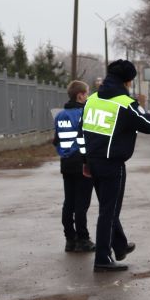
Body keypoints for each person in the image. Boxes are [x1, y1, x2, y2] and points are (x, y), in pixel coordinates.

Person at [80, 59, 150, 272]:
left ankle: (119, 245)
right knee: (109, 212)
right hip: (112, 165)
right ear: (128, 81)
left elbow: (83, 133)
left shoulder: (91, 100)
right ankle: (102, 258)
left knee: (107, 209)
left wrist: (85, 161)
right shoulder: (126, 104)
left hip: (93, 161)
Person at [53, 80, 95, 253]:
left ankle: (70, 239)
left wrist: (65, 152)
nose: (88, 96)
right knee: (82, 204)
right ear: (80, 95)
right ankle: (83, 239)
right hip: (82, 162)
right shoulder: (85, 114)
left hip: (66, 162)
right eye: (87, 93)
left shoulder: (60, 115)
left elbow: (56, 140)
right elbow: (89, 138)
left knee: (68, 202)